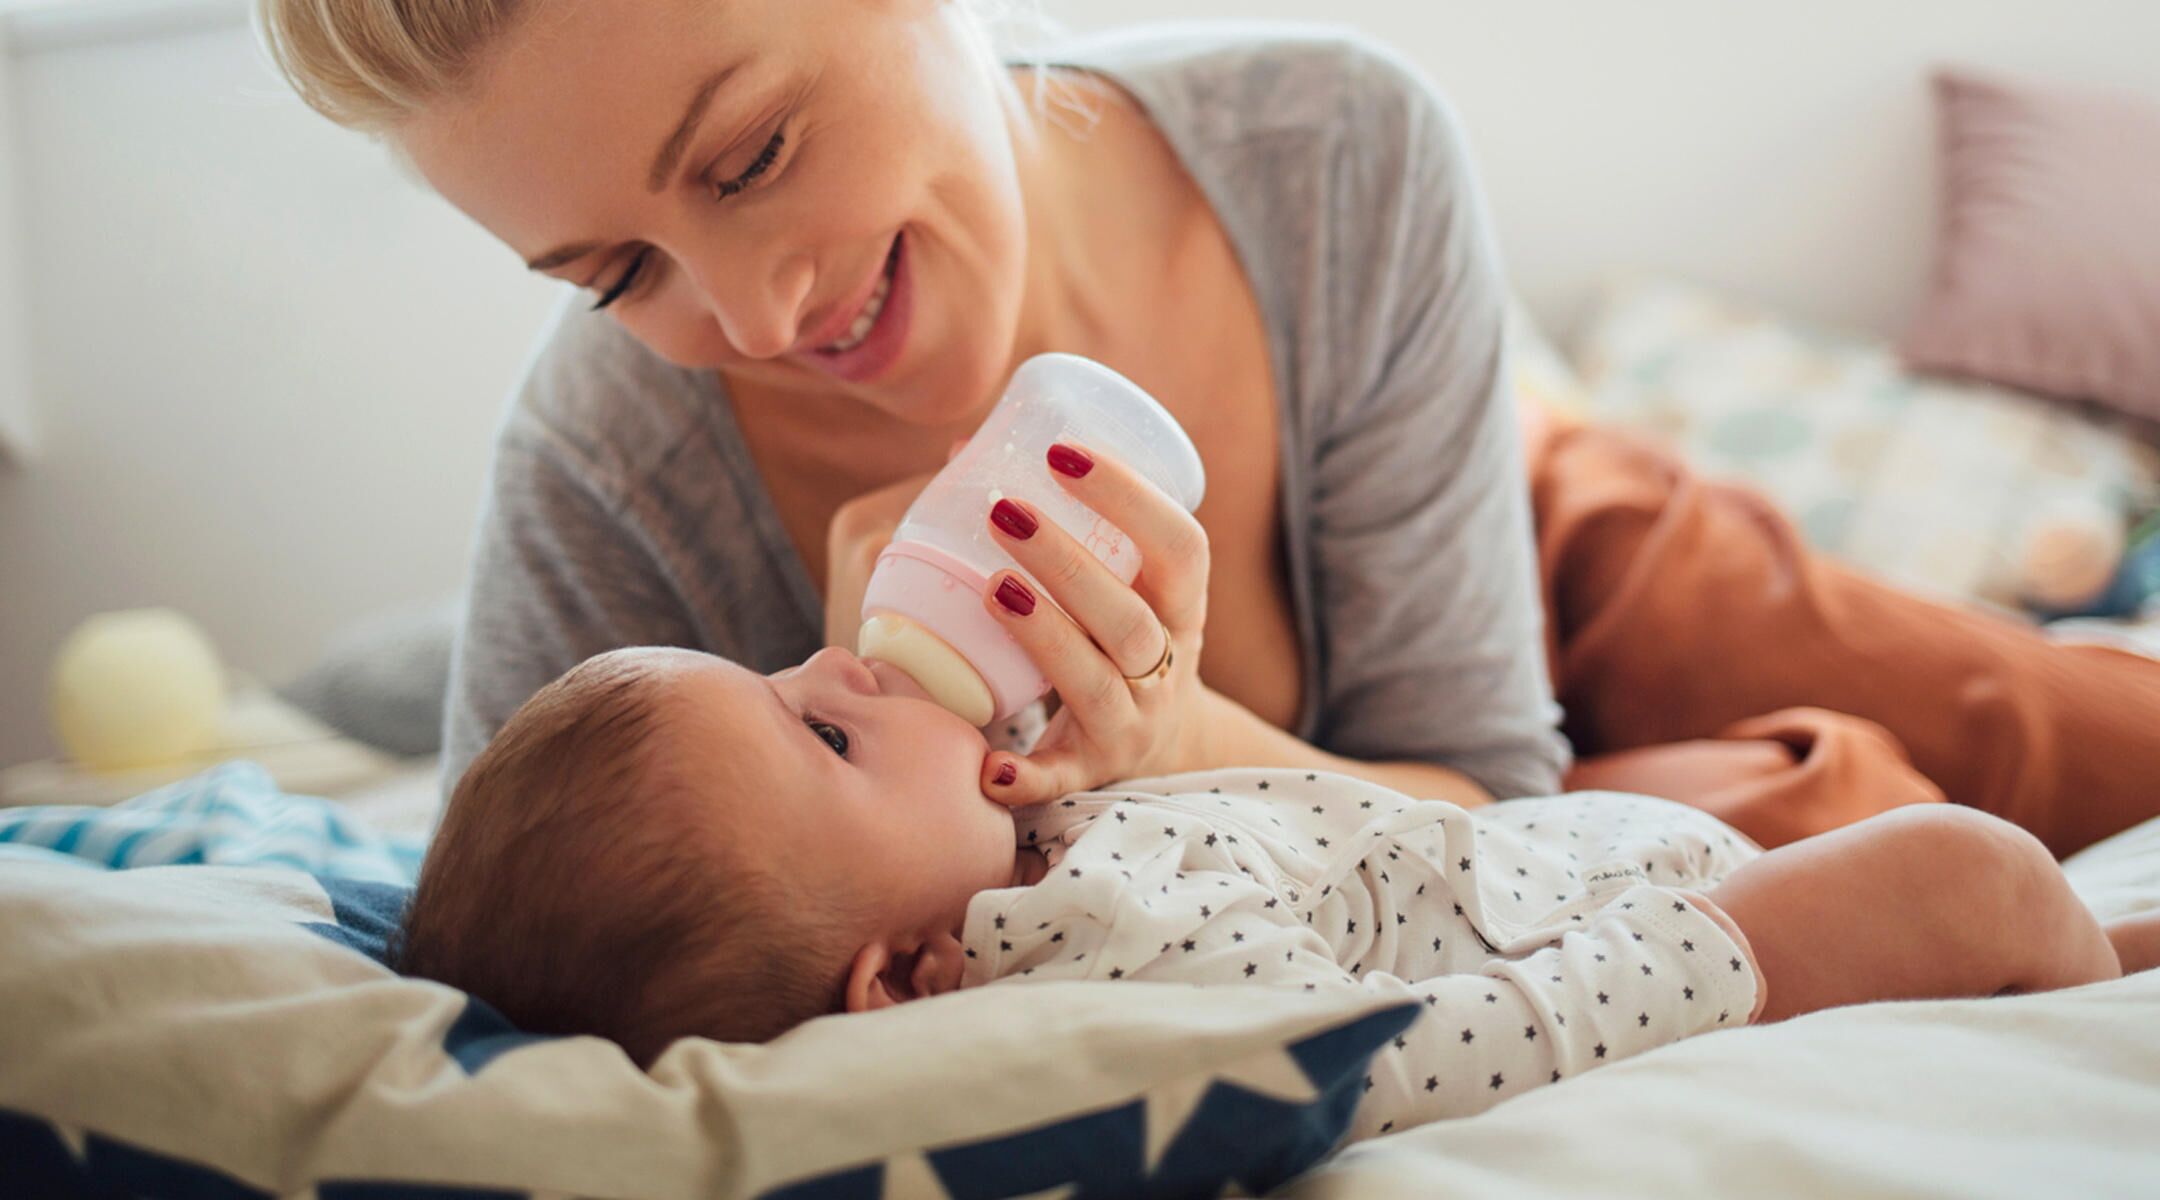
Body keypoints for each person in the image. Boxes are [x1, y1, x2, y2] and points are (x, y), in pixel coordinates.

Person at [255, 0, 2160, 856]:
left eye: (753, 156)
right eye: (610, 273)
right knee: (1806, 815)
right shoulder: (607, 485)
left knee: (1931, 685)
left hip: (1498, 510)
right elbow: (526, 916)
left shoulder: (1332, 153)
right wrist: (1117, 758)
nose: (748, 321)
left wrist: (1171, 733)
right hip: (1355, 778)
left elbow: (1473, 765)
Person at [398, 637, 2157, 1143]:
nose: (846, 668)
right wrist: (1713, 957)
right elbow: (1383, 1053)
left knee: (2007, 881)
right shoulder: (1085, 984)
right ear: (897, 986)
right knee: (1966, 867)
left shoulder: (1037, 858)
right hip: (1643, 939)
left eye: (787, 667)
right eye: (822, 741)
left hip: (1574, 846)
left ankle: (2090, 961)